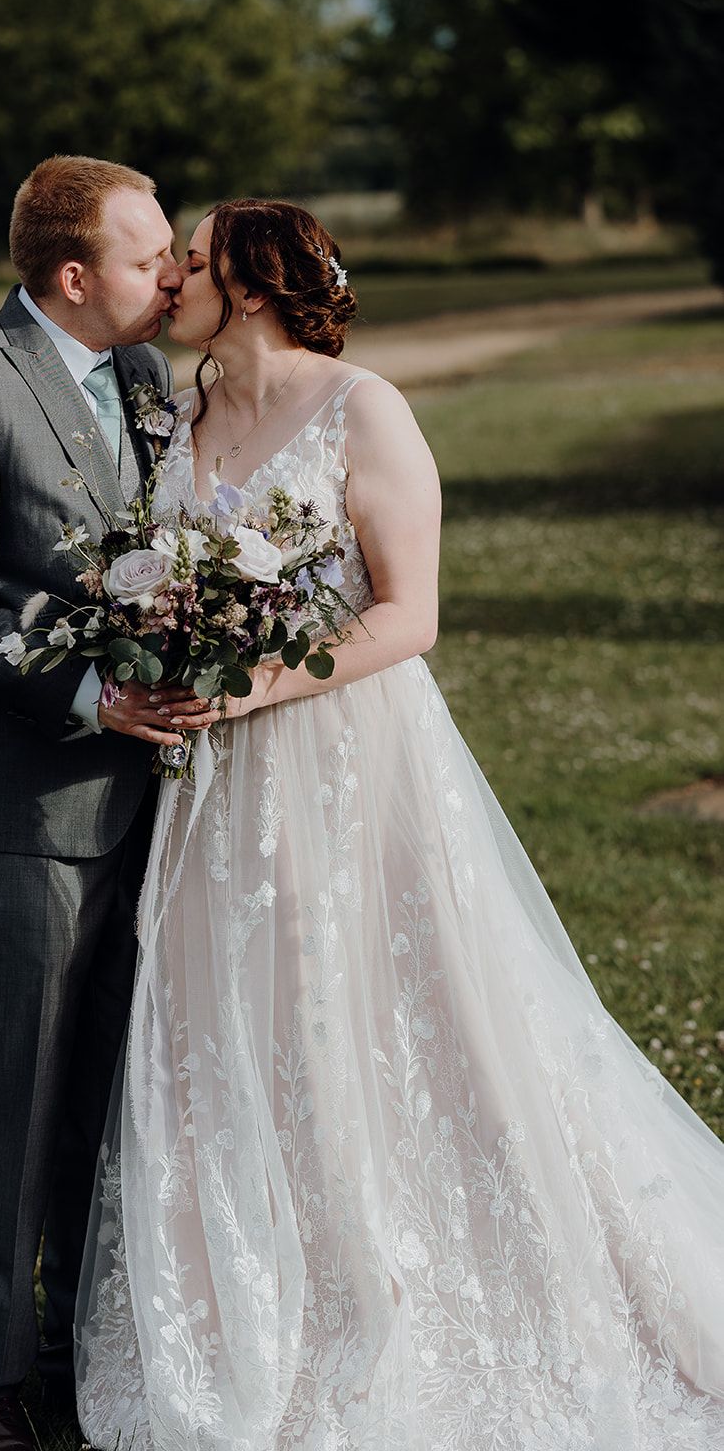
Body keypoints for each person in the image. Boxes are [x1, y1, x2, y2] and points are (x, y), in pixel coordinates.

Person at [74, 198, 724, 1450]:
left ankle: (434, 1276)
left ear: (251, 285)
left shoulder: (362, 409)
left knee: (386, 1008)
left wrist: (248, 681)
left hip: (345, 758)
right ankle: (263, 1293)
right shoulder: (177, 418)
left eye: (192, 263)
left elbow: (407, 614)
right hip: (213, 790)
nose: (171, 284)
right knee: (235, 1018)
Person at [0, 155, 216, 1451]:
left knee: (108, 1099)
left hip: (141, 812)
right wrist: (87, 694)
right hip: (12, 814)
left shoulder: (139, 379)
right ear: (73, 277)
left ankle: (85, 1343)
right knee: (13, 1106)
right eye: (148, 259)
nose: (170, 276)